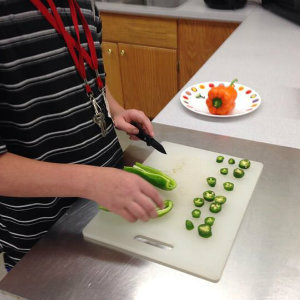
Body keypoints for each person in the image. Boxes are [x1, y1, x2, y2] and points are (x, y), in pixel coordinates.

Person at [0, 0, 163, 271]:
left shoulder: (83, 5)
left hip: (108, 199)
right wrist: (90, 181)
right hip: (44, 232)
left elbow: (91, 75)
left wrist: (116, 110)